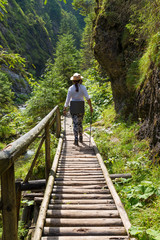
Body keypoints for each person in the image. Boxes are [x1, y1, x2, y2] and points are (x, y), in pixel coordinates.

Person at [63, 73, 93, 146]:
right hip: (80, 106)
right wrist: (91, 107)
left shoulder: (70, 88)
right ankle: (81, 136)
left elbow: (67, 100)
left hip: (73, 106)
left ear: (73, 81)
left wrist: (65, 108)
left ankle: (76, 138)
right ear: (80, 80)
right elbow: (87, 98)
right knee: (80, 122)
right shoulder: (83, 87)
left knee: (75, 123)